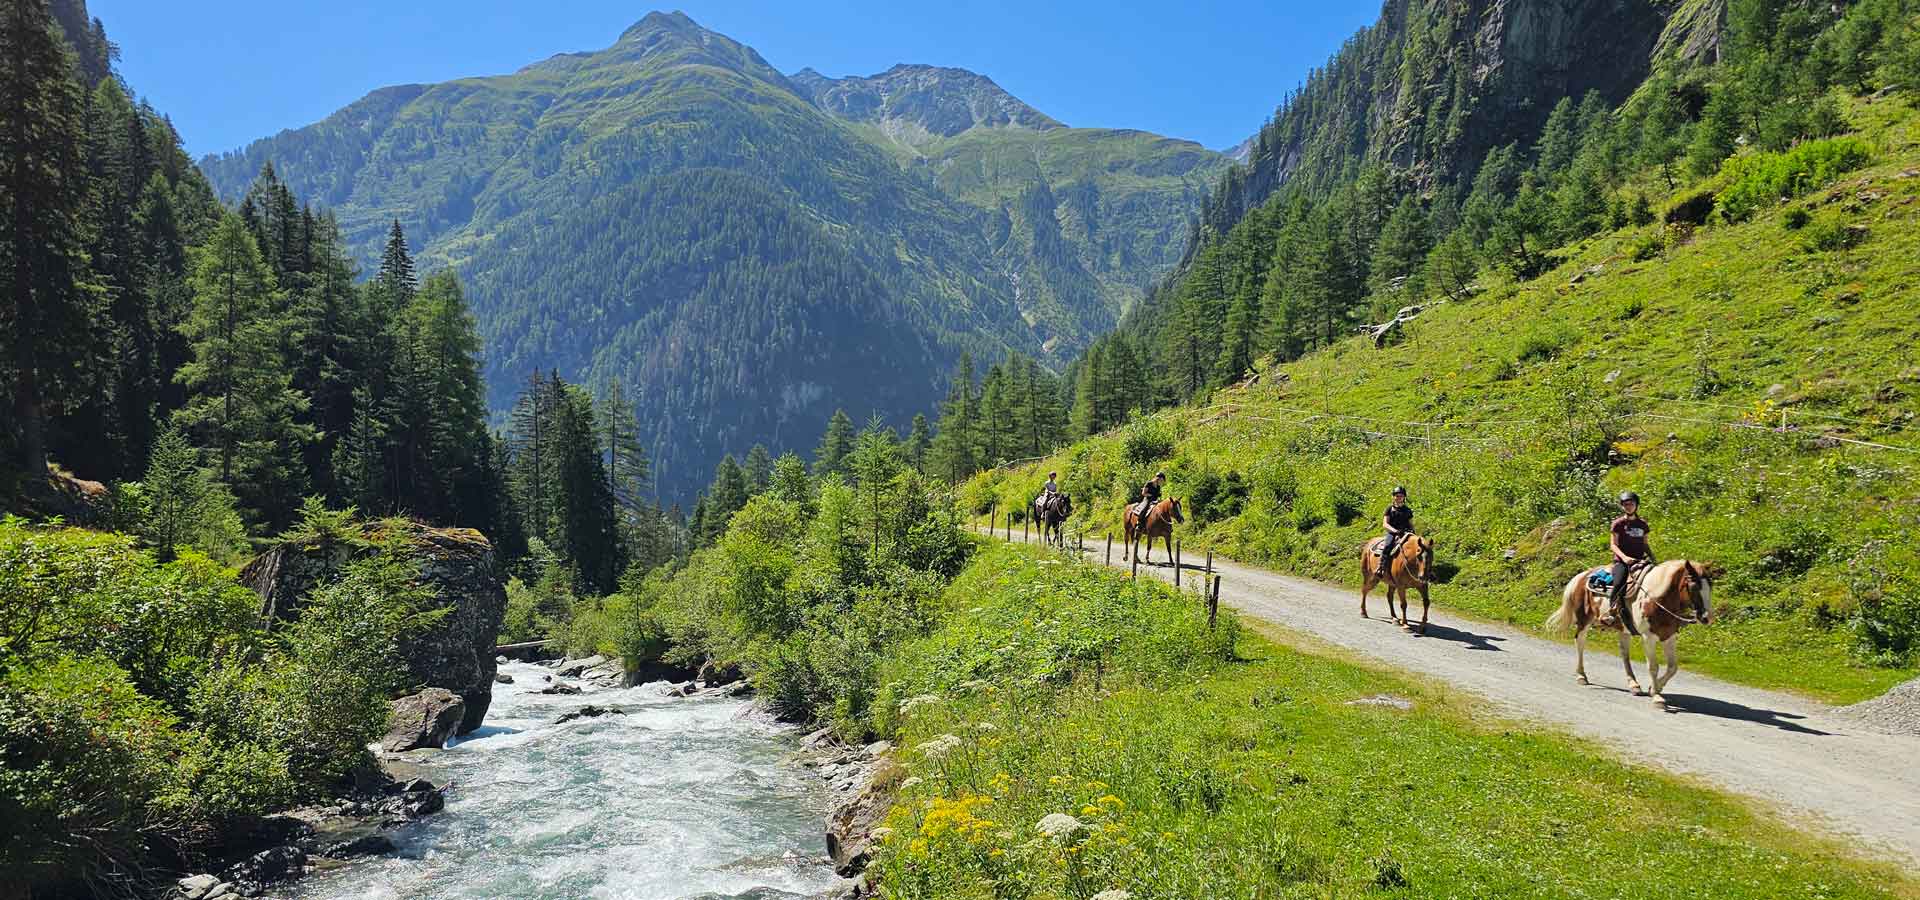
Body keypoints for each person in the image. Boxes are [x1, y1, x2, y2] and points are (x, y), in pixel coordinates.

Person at [1608, 490, 1653, 633]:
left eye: (1631, 504)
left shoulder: (1643, 525)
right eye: (1625, 504)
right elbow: (1613, 545)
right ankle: (1612, 611)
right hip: (1622, 562)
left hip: (1640, 561)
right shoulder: (1618, 524)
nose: (1628, 506)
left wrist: (1653, 557)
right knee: (1619, 582)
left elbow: (1645, 544)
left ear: (1636, 505)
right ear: (1622, 506)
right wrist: (1625, 558)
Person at [1376, 486, 1414, 577]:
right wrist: (1395, 531)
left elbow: (1411, 524)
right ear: (1393, 497)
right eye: (1397, 496)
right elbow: (1385, 524)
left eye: (1401, 496)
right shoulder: (1389, 509)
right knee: (1388, 545)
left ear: (1404, 497)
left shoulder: (1408, 510)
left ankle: (1423, 570)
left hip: (1405, 532)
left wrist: (1413, 532)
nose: (1399, 497)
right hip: (1392, 532)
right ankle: (1381, 567)